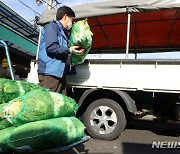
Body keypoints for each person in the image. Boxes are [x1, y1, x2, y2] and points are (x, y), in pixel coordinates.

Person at [38, 6, 84, 94]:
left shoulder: (65, 33)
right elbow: (51, 47)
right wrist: (70, 50)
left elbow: (65, 50)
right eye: (72, 20)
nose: (72, 23)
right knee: (48, 102)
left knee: (60, 102)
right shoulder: (52, 26)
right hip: (49, 73)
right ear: (65, 17)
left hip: (60, 73)